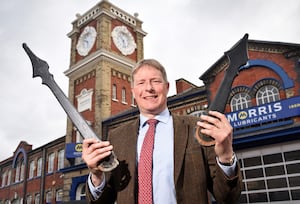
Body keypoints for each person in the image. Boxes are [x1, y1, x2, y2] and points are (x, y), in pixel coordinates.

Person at [82, 59, 242, 204]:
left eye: (155, 81)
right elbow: (102, 202)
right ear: (133, 92)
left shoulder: (198, 128)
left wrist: (226, 156)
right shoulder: (117, 137)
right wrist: (96, 175)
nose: (149, 88)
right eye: (141, 83)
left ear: (167, 87)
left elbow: (228, 197)